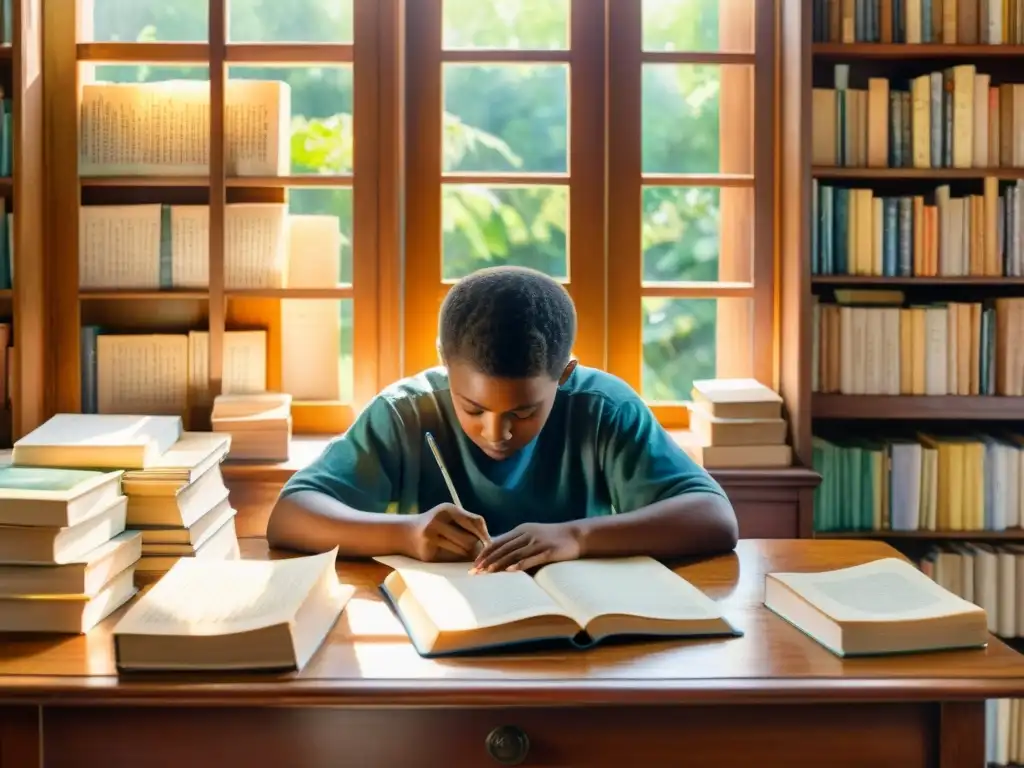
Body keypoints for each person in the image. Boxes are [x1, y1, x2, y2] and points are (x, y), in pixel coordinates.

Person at [267, 266, 738, 573]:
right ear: (444, 363)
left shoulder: (604, 408)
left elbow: (714, 517)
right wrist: (404, 534)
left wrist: (577, 536)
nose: (497, 434)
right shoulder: (406, 411)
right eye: (472, 409)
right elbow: (291, 515)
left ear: (565, 373)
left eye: (525, 411)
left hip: (580, 631)